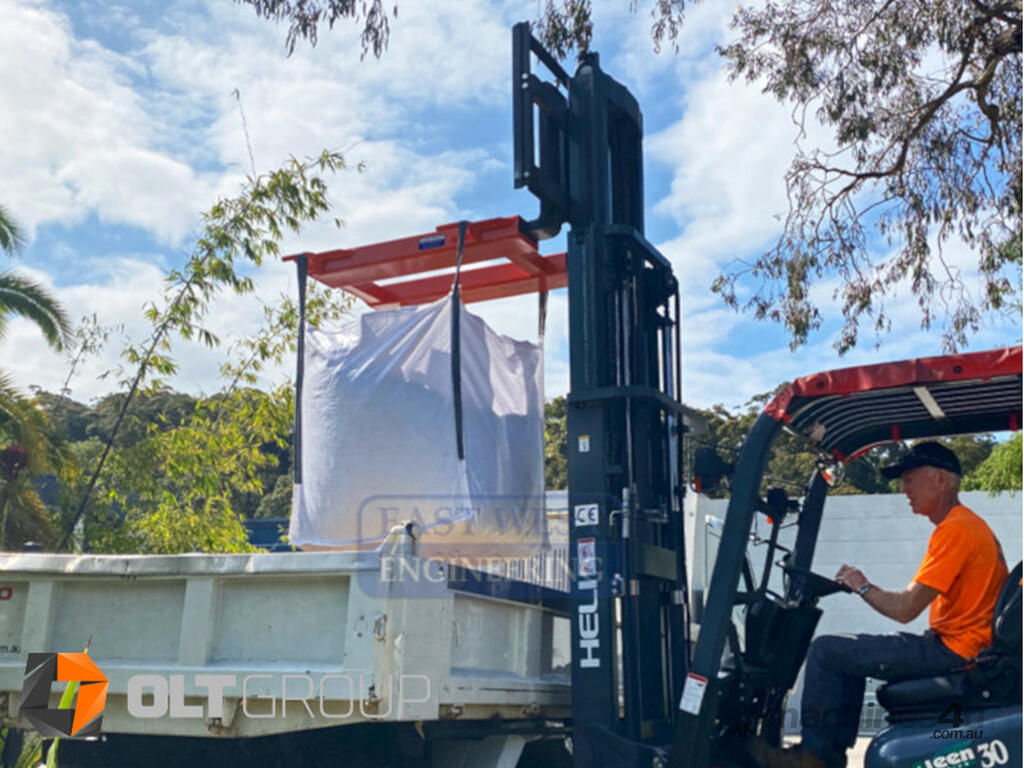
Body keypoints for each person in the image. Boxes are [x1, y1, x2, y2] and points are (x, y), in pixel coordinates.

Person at [750, 441, 1008, 768]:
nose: (904, 489)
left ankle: (814, 757)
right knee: (850, 654)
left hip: (955, 651)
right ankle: (826, 756)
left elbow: (905, 609)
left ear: (941, 479)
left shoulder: (956, 529)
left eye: (910, 478)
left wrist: (862, 585)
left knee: (826, 651)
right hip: (961, 646)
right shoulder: (967, 525)